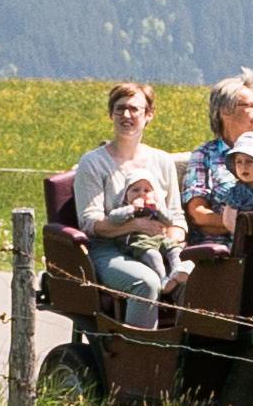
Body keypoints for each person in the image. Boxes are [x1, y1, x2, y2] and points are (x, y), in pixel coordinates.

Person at [66, 81, 188, 326]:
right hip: (108, 249)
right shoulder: (93, 163)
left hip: (157, 245)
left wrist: (171, 240)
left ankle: (181, 353)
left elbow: (176, 216)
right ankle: (137, 355)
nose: (126, 115)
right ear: (111, 114)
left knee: (196, 279)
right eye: (120, 108)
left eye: (134, 109)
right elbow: (90, 222)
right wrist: (135, 227)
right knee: (147, 283)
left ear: (148, 115)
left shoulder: (163, 161)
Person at [178, 74, 253, 240]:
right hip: (222, 251)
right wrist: (244, 223)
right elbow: (198, 214)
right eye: (250, 106)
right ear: (225, 111)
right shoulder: (205, 154)